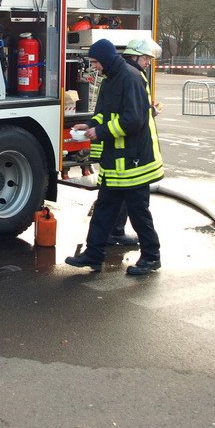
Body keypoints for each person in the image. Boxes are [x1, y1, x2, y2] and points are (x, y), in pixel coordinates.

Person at [65, 38, 164, 275]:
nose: (95, 67)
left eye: (97, 62)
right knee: (104, 211)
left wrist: (99, 131)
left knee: (139, 214)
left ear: (107, 59)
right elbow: (104, 114)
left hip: (134, 162)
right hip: (116, 162)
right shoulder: (110, 80)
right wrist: (88, 124)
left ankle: (151, 258)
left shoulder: (130, 78)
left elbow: (134, 120)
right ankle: (94, 254)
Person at [106, 36, 164, 246]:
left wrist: (150, 111)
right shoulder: (133, 76)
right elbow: (130, 117)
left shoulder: (132, 74)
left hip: (134, 151)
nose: (148, 62)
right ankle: (150, 253)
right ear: (134, 56)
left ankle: (115, 232)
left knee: (123, 196)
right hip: (136, 152)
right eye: (146, 58)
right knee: (138, 203)